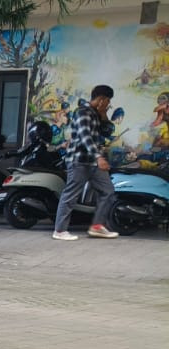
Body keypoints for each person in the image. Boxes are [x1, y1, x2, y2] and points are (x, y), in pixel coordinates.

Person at [53, 84, 120, 241]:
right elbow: (85, 137)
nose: (109, 104)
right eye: (108, 101)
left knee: (108, 191)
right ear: (101, 99)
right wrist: (99, 157)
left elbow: (107, 131)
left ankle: (97, 226)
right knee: (71, 194)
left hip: (92, 162)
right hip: (79, 160)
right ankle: (60, 230)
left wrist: (103, 114)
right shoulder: (82, 112)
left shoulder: (96, 114)